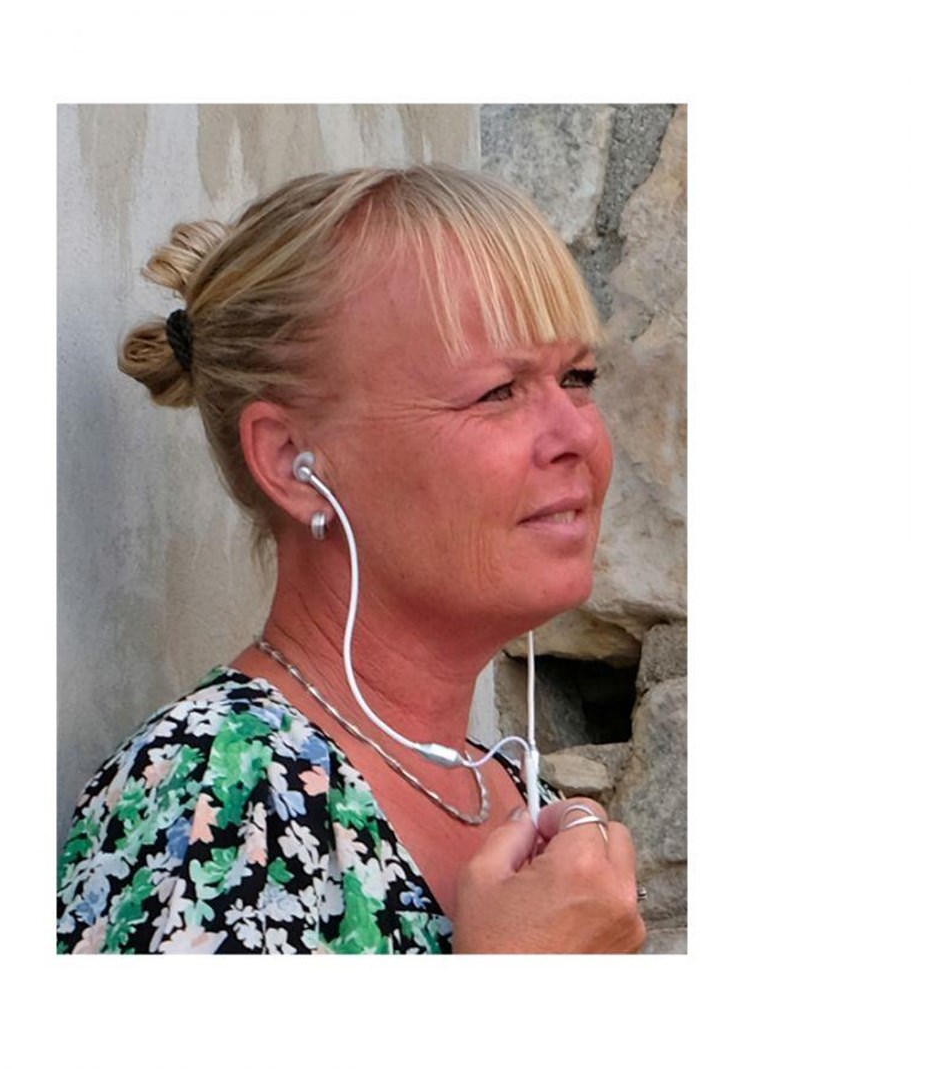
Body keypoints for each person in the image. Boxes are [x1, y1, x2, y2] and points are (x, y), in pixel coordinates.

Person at [56, 165, 646, 954]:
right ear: (293, 460)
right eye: (498, 391)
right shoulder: (215, 798)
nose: (577, 435)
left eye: (578, 377)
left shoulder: (507, 792)